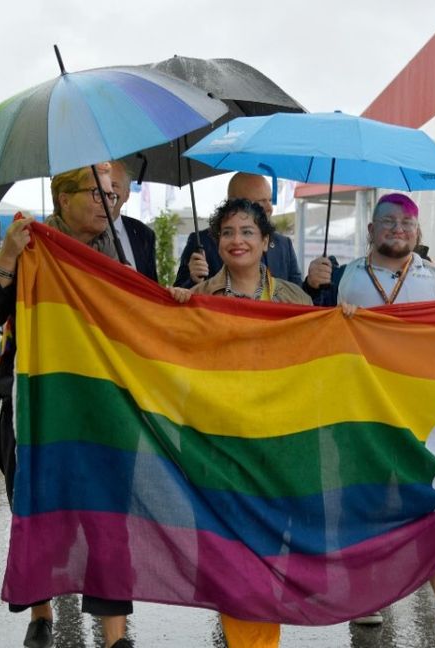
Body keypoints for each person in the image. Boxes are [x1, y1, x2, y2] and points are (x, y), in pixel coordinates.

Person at [303, 193, 435, 645]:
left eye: (407, 223)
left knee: (433, 499)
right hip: (359, 410)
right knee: (365, 503)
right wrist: (316, 292)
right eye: (387, 221)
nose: (397, 229)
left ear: (418, 232)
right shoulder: (339, 277)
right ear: (369, 231)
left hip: (420, 409)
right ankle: (368, 597)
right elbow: (306, 329)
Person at [0, 162, 134, 648]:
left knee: (107, 520)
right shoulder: (30, 244)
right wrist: (5, 258)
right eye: (97, 193)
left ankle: (115, 635)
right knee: (38, 509)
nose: (109, 204)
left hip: (104, 407)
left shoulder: (131, 245)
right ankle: (42, 614)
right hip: (37, 405)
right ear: (63, 200)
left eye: (114, 195)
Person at [168, 198, 311, 648]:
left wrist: (339, 320)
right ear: (216, 243)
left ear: (267, 242)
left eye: (248, 232)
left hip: (278, 445)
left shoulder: (294, 298)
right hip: (223, 446)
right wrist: (172, 306)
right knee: (234, 555)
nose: (237, 241)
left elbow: (315, 363)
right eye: (227, 232)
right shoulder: (200, 299)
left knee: (271, 551)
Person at [174, 172, 302, 288]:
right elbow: (179, 298)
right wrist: (193, 280)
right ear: (234, 204)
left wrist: (313, 285)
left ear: (265, 242)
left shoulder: (284, 245)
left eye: (270, 200)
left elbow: (300, 299)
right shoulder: (202, 242)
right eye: (261, 202)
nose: (269, 208)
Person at [109, 161, 158, 281]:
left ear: (127, 195)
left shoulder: (144, 234)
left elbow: (151, 285)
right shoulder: (81, 231)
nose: (107, 191)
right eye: (100, 184)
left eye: (113, 185)